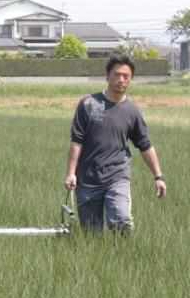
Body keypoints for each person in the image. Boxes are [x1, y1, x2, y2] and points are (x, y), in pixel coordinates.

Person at [64, 54, 166, 233]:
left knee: (121, 220)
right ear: (107, 76)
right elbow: (76, 141)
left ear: (130, 79)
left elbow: (145, 145)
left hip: (117, 176)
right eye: (117, 74)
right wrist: (71, 173)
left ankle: (125, 256)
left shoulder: (132, 111)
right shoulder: (88, 104)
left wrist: (158, 177)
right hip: (88, 178)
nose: (121, 79)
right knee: (90, 233)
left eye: (126, 76)